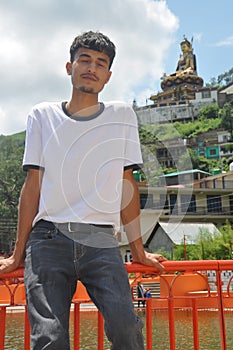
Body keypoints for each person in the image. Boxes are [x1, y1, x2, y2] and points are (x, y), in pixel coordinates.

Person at [0, 31, 166, 350]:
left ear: (108, 76)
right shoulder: (42, 116)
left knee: (126, 328)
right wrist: (16, 255)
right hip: (48, 239)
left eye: (100, 63)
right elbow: (32, 186)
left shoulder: (121, 116)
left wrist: (139, 250)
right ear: (69, 66)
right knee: (49, 338)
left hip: (101, 239)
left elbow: (125, 185)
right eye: (84, 59)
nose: (92, 67)